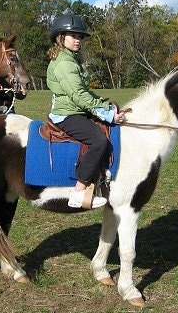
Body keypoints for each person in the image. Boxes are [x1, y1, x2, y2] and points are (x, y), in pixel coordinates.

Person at [46, 13, 124, 209]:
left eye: (80, 37)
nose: (78, 40)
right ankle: (78, 192)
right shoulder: (64, 63)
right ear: (60, 37)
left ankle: (101, 170)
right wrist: (107, 114)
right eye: (73, 36)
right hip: (67, 114)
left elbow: (85, 92)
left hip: (76, 109)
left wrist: (105, 105)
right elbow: (78, 95)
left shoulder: (71, 60)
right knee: (98, 140)